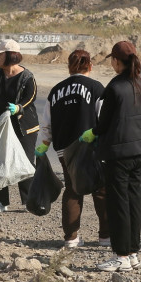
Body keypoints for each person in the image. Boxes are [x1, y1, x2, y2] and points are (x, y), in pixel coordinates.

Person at [83, 41, 141, 272]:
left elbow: (104, 122)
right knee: (134, 201)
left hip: (118, 153)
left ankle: (120, 255)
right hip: (138, 152)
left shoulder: (115, 87)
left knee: (118, 203)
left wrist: (93, 133)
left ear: (116, 61)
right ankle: (132, 252)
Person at [36, 49, 110, 248]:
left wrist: (43, 145)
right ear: (91, 66)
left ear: (68, 66)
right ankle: (105, 237)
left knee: (73, 190)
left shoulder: (56, 90)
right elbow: (104, 119)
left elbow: (47, 123)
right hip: (91, 147)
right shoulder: (96, 88)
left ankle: (71, 237)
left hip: (64, 150)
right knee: (101, 189)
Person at [0, 39, 39, 213]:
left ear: (10, 55)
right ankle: (1, 202)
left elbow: (31, 97)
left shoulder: (27, 77)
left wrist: (18, 107)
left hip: (23, 126)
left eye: (0, 53)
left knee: (25, 163)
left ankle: (28, 201)